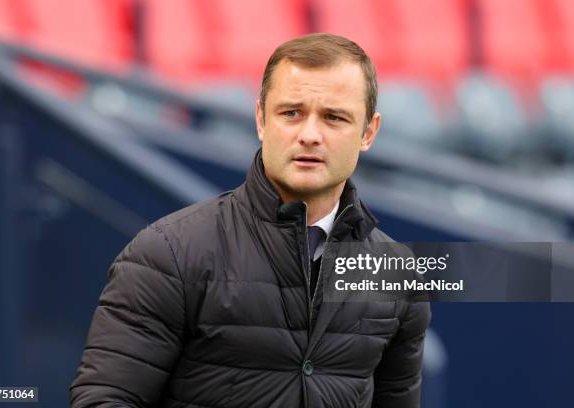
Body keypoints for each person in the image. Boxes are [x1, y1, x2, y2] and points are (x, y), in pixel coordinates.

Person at [70, 33, 431, 408]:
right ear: (261, 119)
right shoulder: (167, 254)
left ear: (368, 132)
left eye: (333, 117)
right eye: (291, 113)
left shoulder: (397, 273)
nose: (309, 135)